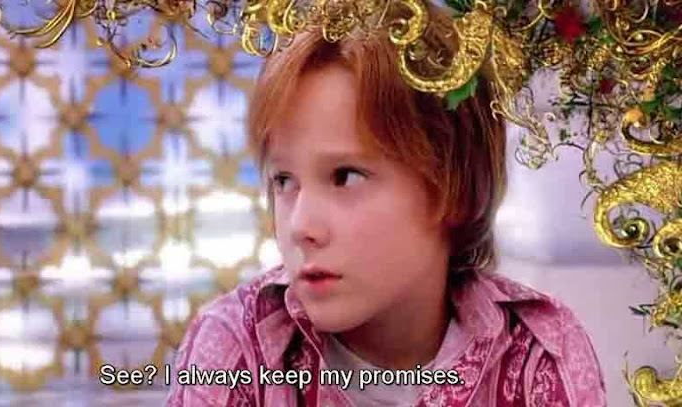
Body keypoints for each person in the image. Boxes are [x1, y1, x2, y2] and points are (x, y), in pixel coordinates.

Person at [166, 5, 606, 406]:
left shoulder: (536, 355)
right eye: (284, 181)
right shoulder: (237, 348)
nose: (300, 226)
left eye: (345, 176)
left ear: (452, 187)